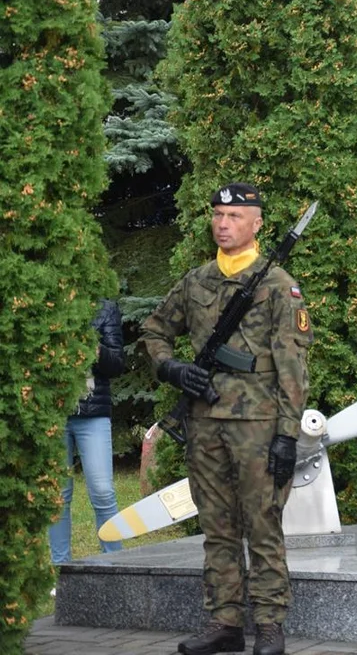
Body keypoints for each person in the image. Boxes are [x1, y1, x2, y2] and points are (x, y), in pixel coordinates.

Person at [141, 183, 313, 655]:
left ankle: (271, 624)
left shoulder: (279, 285)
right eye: (217, 214)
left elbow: (293, 368)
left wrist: (287, 435)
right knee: (216, 526)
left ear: (256, 224)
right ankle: (225, 623)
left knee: (262, 523)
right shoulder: (196, 281)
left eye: (235, 216)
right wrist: (172, 367)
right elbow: (155, 329)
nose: (222, 224)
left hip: (258, 424)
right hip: (204, 423)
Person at [49, 299, 126, 564]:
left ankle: (116, 564)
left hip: (93, 413)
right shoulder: (42, 303)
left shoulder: (105, 307)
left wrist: (95, 349)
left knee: (103, 491)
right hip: (53, 413)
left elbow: (117, 363)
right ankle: (60, 571)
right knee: (57, 495)